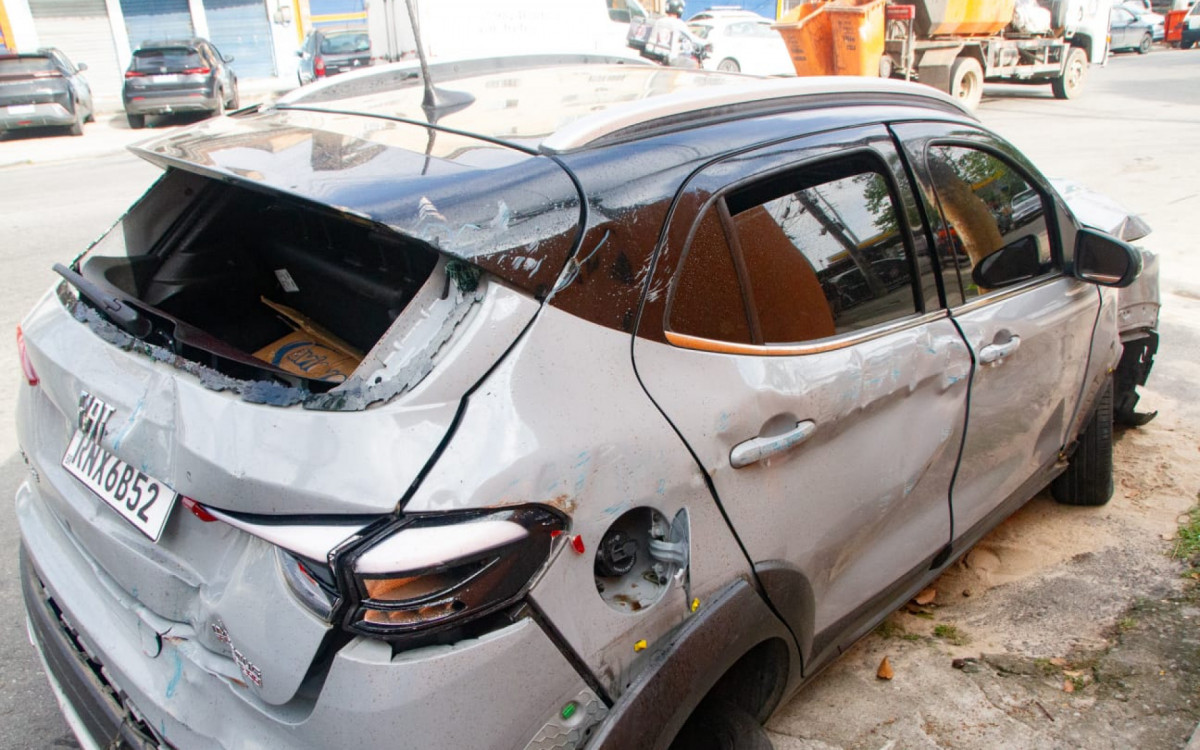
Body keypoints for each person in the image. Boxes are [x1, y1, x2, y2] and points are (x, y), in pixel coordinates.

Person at [644, 0, 707, 68]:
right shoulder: (679, 23)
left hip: (656, 56)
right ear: (679, 10)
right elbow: (692, 38)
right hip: (671, 58)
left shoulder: (659, 21)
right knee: (694, 64)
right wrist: (706, 42)